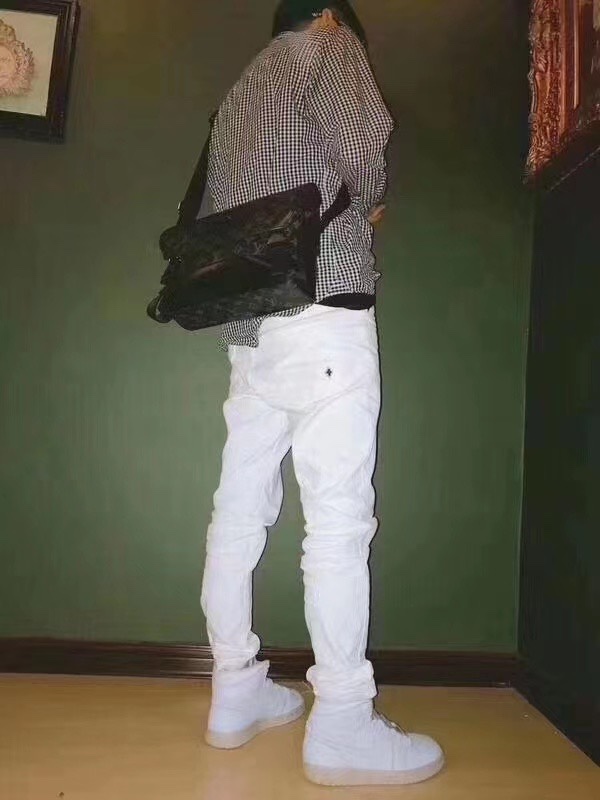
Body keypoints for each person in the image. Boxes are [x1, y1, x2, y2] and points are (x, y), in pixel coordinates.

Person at [200, 0, 444, 786]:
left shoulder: (242, 86)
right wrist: (370, 203)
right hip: (323, 306)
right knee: (337, 524)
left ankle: (234, 689)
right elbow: (365, 150)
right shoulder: (328, 46)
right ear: (330, 15)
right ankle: (341, 721)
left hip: (252, 328)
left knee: (238, 514)